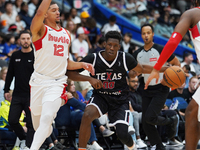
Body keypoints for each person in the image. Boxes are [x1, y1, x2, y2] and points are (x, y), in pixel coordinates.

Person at [29, 1, 99, 150]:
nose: (58, 12)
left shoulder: (66, 34)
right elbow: (39, 13)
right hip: (38, 81)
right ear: (46, 14)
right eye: (53, 10)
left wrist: (81, 64)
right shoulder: (40, 30)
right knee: (39, 125)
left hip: (57, 82)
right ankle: (46, 129)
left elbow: (66, 62)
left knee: (46, 117)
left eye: (58, 10)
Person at [77, 30, 156, 150]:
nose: (112, 48)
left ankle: (132, 146)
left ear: (119, 47)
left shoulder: (125, 58)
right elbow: (71, 72)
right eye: (109, 45)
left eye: (115, 46)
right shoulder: (93, 58)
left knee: (123, 134)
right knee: (87, 115)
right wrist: (89, 79)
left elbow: (143, 68)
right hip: (101, 97)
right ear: (105, 44)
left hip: (120, 100)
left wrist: (161, 68)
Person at [145, 1, 200, 149]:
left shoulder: (192, 13)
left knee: (192, 111)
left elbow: (173, 41)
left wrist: (156, 68)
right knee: (192, 111)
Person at [132, 24, 180, 150]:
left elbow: (176, 63)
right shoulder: (137, 53)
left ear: (153, 34)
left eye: (148, 33)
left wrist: (173, 80)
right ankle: (159, 146)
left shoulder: (160, 49)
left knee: (150, 117)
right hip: (146, 89)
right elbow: (133, 71)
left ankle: (171, 121)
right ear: (141, 35)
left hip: (161, 88)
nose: (146, 35)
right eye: (143, 33)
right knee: (147, 123)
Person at [4, 30, 35, 150]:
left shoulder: (36, 56)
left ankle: (28, 146)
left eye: (28, 38)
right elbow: (10, 74)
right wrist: (6, 90)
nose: (26, 41)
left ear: (31, 40)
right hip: (17, 94)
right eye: (23, 38)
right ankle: (22, 139)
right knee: (12, 120)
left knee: (32, 124)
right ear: (19, 40)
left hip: (31, 95)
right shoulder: (15, 55)